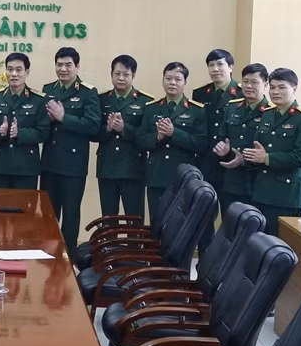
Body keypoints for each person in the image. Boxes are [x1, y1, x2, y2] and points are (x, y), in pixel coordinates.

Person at [222, 68, 301, 237]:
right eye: (272, 87)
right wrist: (243, 160)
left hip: (285, 196)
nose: (275, 92)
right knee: (256, 244)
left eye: (281, 87)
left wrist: (267, 158)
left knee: (277, 248)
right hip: (260, 191)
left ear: (294, 89)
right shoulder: (268, 114)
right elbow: (258, 150)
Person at [41, 47, 100, 250]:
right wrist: (47, 120)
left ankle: (69, 259)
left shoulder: (88, 92)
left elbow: (93, 127)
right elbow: (41, 125)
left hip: (74, 165)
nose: (63, 69)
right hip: (49, 163)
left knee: (71, 215)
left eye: (68, 65)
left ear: (77, 67)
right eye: (59, 64)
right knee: (48, 214)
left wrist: (64, 117)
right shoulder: (48, 89)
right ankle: (47, 257)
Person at [137, 62, 206, 222]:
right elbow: (140, 140)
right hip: (156, 175)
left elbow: (201, 144)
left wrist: (174, 133)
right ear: (163, 81)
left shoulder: (196, 110)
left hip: (183, 177)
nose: (172, 83)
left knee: (180, 225)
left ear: (185, 83)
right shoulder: (151, 108)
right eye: (168, 78)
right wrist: (158, 137)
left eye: (177, 79)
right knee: (157, 223)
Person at [192, 49, 242, 254]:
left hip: (233, 167)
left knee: (232, 220)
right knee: (204, 218)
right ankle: (205, 263)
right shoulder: (201, 94)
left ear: (230, 67)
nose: (215, 69)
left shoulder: (241, 93)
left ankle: (226, 266)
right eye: (211, 65)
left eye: (220, 64)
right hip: (206, 164)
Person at [93, 55, 154, 218]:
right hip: (107, 167)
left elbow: (146, 137)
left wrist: (123, 129)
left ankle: (134, 245)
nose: (120, 78)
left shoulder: (145, 102)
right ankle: (109, 245)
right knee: (108, 219)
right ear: (111, 74)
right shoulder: (101, 99)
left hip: (133, 168)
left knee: (134, 219)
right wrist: (108, 128)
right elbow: (92, 132)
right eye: (117, 73)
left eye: (125, 74)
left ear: (133, 76)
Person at [0, 52, 50, 189]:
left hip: (27, 167)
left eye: (18, 70)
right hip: (1, 166)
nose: (14, 74)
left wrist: (20, 133)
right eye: (10, 69)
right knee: (0, 209)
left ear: (27, 72)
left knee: (25, 210)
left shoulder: (38, 100)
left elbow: (43, 132)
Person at [213, 63, 271, 211]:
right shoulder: (232, 107)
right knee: (230, 228)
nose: (249, 86)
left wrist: (244, 160)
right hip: (232, 181)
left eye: (254, 82)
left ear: (265, 85)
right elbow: (222, 137)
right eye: (245, 82)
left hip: (256, 182)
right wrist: (224, 152)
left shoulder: (271, 112)